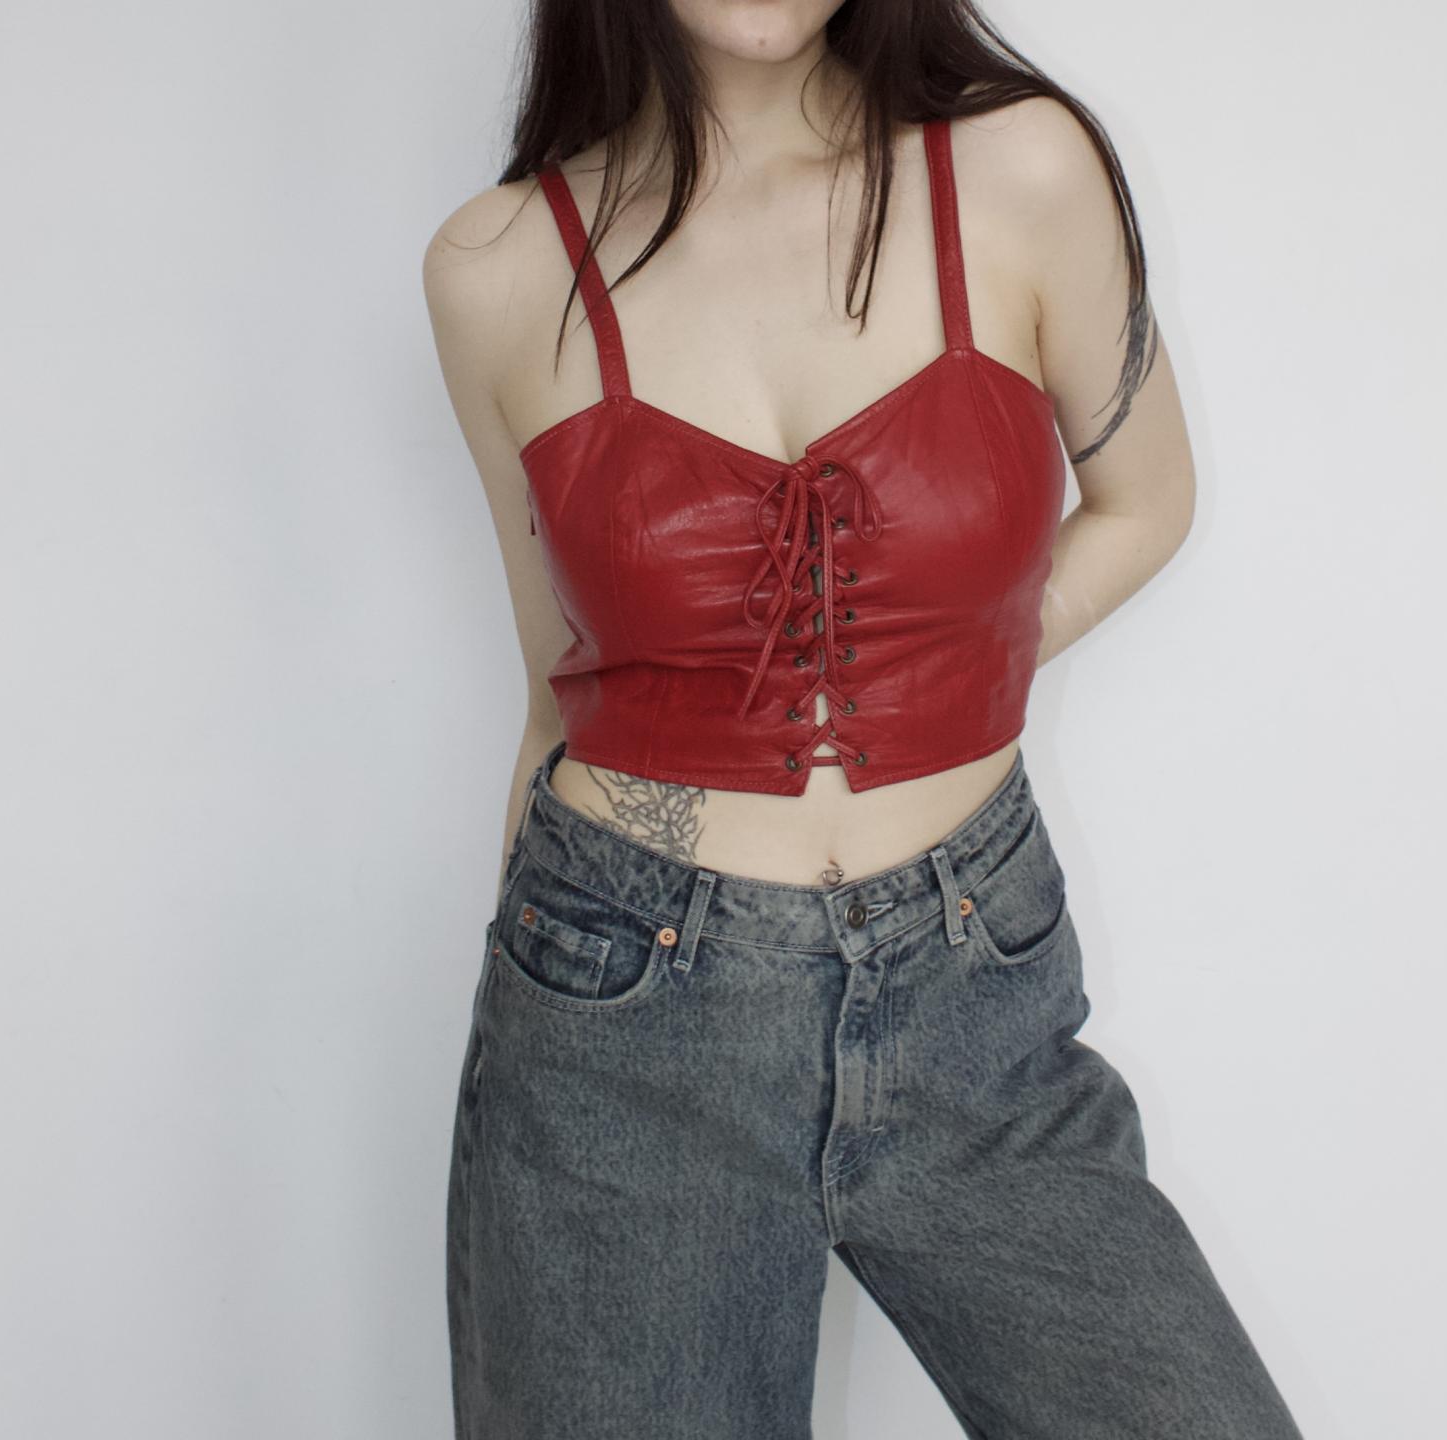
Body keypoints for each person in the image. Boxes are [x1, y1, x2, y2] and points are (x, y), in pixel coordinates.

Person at [422, 2, 1303, 1435]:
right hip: (621, 1019)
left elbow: (1148, 502)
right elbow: (557, 682)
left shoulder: (1023, 170)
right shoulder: (497, 268)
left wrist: (947, 665)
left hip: (973, 988)